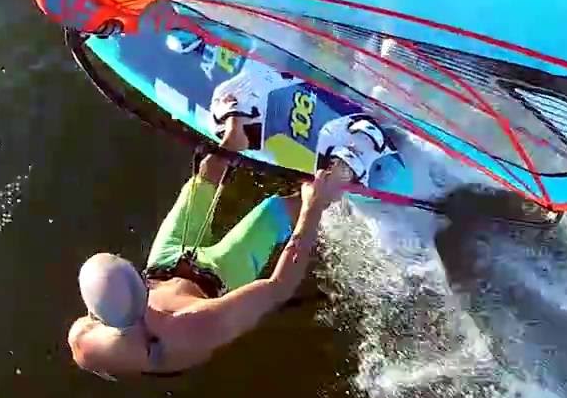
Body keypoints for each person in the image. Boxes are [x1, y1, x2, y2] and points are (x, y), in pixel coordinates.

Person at [68, 116, 362, 379]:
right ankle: (334, 186)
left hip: (164, 265)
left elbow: (91, 342)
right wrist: (313, 207)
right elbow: (279, 287)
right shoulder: (193, 327)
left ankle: (236, 135)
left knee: (202, 181)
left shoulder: (84, 338)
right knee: (275, 211)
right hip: (217, 282)